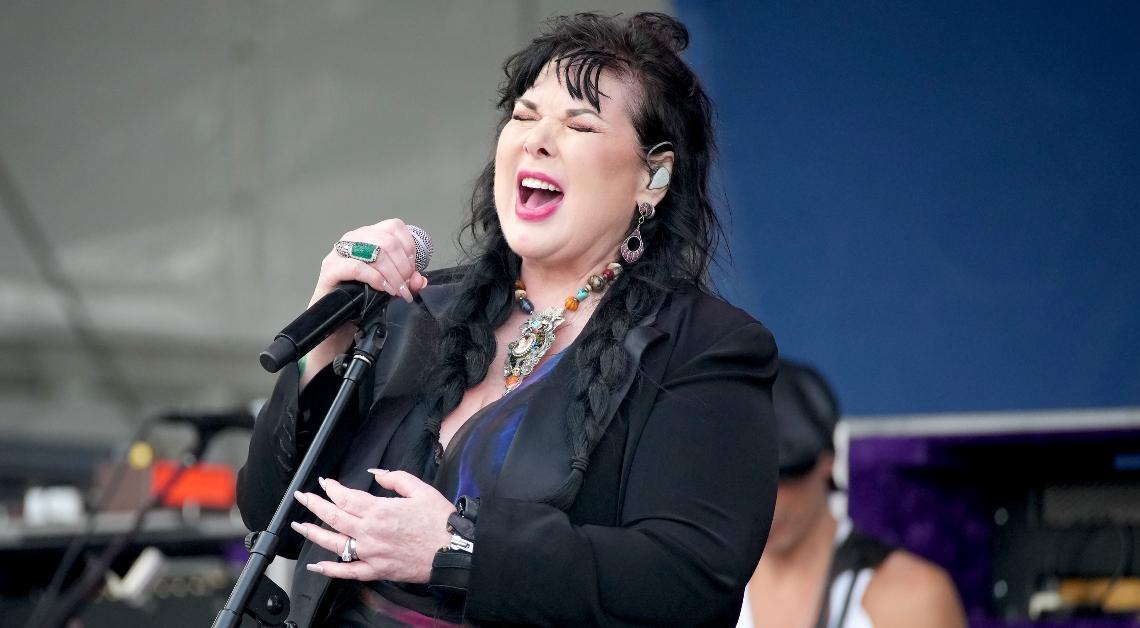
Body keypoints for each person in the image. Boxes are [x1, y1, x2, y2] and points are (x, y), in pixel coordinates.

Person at [237, 12, 779, 627]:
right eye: (523, 116)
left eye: (579, 124)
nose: (536, 140)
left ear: (653, 176)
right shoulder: (416, 310)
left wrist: (460, 548)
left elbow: (689, 581)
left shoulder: (704, 347)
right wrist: (326, 339)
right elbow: (266, 514)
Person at [738, 361, 966, 628]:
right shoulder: (705, 588)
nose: (766, 500)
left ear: (827, 460)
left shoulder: (911, 597)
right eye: (743, 478)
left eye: (784, 474)